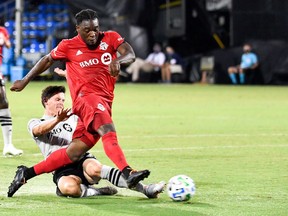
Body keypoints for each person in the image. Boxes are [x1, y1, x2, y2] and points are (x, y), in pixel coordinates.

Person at [7, 9, 150, 197]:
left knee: (73, 153)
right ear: (77, 29)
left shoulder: (110, 38)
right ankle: (127, 172)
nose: (93, 34)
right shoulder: (68, 46)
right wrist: (25, 80)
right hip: (86, 100)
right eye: (87, 30)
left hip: (104, 101)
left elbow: (130, 54)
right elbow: (47, 59)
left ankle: (26, 173)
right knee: (108, 131)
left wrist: (118, 60)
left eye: (96, 29)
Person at [19, 85, 165, 198]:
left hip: (82, 159)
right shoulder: (35, 122)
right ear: (46, 101)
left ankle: (146, 189)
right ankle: (94, 192)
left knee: (96, 168)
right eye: (57, 100)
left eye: (63, 100)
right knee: (69, 188)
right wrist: (58, 120)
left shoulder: (73, 117)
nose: (61, 103)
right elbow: (39, 131)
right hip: (60, 168)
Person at [0, 25, 23, 156]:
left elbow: (7, 45)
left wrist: (4, 39)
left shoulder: (2, 30)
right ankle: (8, 145)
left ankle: (8, 145)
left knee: (3, 103)